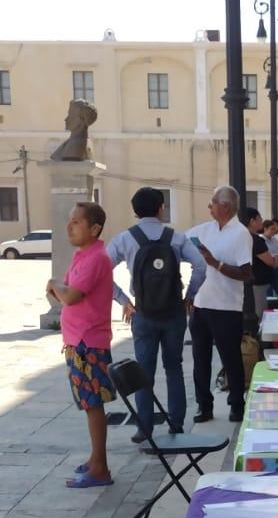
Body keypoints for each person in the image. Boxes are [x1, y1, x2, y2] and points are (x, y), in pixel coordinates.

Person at [106, 186, 204, 443]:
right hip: (173, 312)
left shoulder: (125, 239)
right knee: (174, 368)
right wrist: (189, 297)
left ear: (135, 211)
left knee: (143, 371)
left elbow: (101, 272)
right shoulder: (176, 237)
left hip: (143, 312)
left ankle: (144, 427)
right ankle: (176, 423)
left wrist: (124, 301)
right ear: (161, 208)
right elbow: (201, 266)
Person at [47, 202, 116, 488]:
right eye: (70, 220)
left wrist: (54, 285)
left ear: (94, 228)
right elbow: (61, 293)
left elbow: (70, 295)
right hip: (77, 342)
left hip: (89, 343)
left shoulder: (96, 258)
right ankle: (94, 458)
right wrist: (57, 288)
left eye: (76, 222)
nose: (69, 227)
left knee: (93, 404)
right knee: (89, 404)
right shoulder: (82, 256)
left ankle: (100, 466)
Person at [186, 185, 254, 423]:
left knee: (231, 359)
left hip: (227, 308)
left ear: (225, 205)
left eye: (213, 201)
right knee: (200, 360)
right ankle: (204, 405)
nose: (209, 206)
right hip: (201, 305)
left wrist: (216, 263)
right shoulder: (203, 230)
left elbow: (246, 273)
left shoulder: (240, 234)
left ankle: (237, 403)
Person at [240, 206, 278, 321]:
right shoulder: (256, 240)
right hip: (258, 286)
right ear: (252, 221)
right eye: (259, 218)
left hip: (248, 284)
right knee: (260, 317)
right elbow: (271, 262)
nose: (261, 221)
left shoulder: (241, 237)